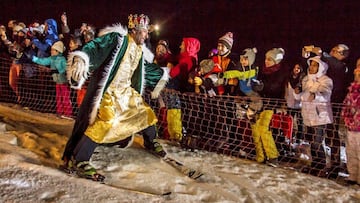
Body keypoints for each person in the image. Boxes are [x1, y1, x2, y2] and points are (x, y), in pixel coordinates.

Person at [61, 14, 168, 181]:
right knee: (106, 122)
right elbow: (96, 47)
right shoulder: (118, 39)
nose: (147, 36)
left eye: (147, 32)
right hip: (109, 92)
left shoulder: (139, 50)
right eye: (144, 32)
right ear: (134, 30)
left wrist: (162, 75)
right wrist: (82, 59)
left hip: (125, 92)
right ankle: (79, 160)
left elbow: (145, 69)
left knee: (145, 112)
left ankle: (150, 141)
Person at [294, 56, 333, 173]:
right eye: (310, 65)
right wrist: (297, 92)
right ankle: (314, 165)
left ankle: (321, 166)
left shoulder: (326, 80)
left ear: (320, 67)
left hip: (320, 116)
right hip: (307, 115)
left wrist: (316, 96)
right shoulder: (305, 79)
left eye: (315, 65)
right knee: (311, 142)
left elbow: (326, 95)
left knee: (317, 142)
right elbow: (300, 97)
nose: (311, 67)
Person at [165, 37, 200, 142]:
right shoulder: (186, 58)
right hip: (181, 93)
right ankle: (177, 135)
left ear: (189, 46)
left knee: (175, 112)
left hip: (178, 93)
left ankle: (176, 136)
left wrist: (170, 68)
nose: (180, 46)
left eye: (183, 44)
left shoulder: (187, 60)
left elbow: (172, 73)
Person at [32, 41, 72, 117]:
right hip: (57, 82)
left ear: (58, 51)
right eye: (51, 50)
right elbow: (43, 61)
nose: (51, 51)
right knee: (58, 98)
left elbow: (65, 69)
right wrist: (34, 59)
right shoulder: (51, 59)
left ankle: (68, 114)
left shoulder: (62, 59)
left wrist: (56, 70)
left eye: (53, 50)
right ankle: (60, 112)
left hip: (63, 82)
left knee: (65, 98)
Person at [341, 60, 360, 186]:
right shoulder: (352, 89)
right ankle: (353, 175)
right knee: (351, 150)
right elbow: (346, 105)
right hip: (352, 126)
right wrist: (347, 118)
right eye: (357, 66)